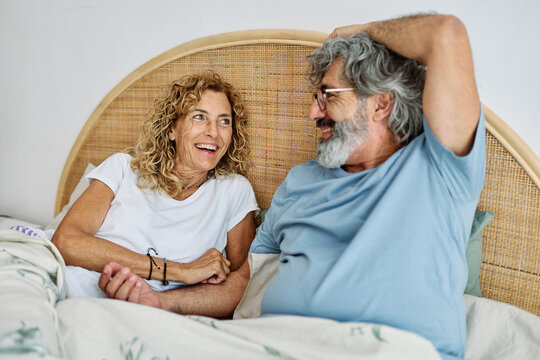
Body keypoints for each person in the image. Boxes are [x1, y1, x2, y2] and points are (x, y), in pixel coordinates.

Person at [98, 14, 483, 360]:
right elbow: (241, 285)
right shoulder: (301, 182)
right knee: (86, 321)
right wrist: (161, 305)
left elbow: (446, 34)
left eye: (327, 95)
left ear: (380, 104)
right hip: (271, 343)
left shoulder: (438, 168)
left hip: (390, 349)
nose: (313, 112)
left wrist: (363, 32)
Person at [52, 71, 259, 298]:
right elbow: (66, 242)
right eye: (199, 117)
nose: (213, 132)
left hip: (139, 313)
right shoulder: (123, 169)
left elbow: (241, 288)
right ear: (172, 129)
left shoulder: (234, 191)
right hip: (66, 283)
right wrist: (180, 271)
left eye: (224, 121)